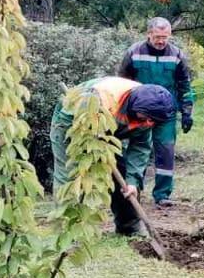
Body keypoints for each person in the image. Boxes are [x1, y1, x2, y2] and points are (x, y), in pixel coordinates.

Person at [51, 77, 176, 235]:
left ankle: (130, 227)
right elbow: (77, 122)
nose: (149, 123)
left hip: (108, 128)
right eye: (147, 118)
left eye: (154, 121)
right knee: (70, 174)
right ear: (134, 106)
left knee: (124, 176)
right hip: (72, 122)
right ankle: (66, 230)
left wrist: (132, 182)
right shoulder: (101, 97)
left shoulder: (150, 108)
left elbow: (140, 147)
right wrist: (95, 144)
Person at [118, 17, 194, 207]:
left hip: (166, 112)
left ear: (170, 35)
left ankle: (162, 194)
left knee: (166, 150)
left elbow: (184, 85)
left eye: (165, 37)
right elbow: (122, 82)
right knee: (138, 148)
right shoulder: (134, 53)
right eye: (157, 37)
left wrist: (187, 112)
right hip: (139, 111)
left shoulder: (176, 55)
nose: (161, 41)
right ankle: (135, 189)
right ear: (148, 34)